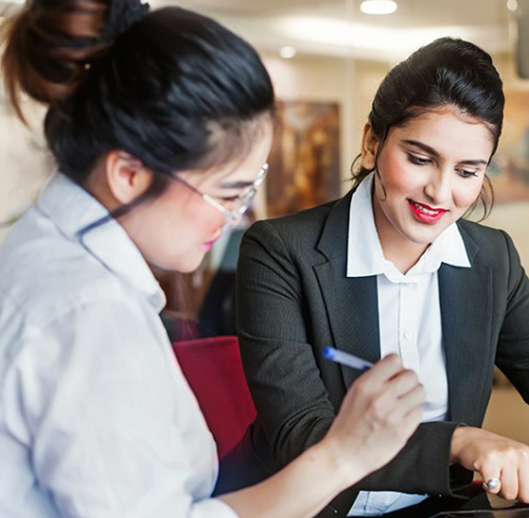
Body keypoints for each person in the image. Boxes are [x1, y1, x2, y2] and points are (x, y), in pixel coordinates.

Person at [0, 1, 423, 517]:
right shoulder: (88, 316)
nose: (231, 219)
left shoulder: (45, 257)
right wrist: (342, 457)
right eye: (227, 194)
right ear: (128, 174)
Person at [235, 37, 529, 516]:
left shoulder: (491, 259)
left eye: (467, 171)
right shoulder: (280, 251)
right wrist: (460, 442)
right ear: (373, 142)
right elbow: (303, 434)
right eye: (420, 159)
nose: (441, 192)